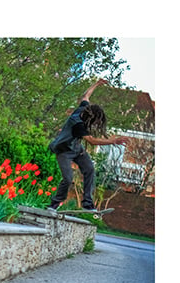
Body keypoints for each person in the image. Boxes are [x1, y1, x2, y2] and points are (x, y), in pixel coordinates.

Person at [47, 79, 129, 211]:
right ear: (90, 118)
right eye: (95, 121)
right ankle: (54, 203)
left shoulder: (83, 108)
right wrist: (112, 141)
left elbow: (86, 96)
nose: (96, 124)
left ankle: (87, 203)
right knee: (68, 179)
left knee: (89, 169)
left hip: (77, 148)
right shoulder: (78, 123)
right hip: (64, 150)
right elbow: (92, 141)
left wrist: (97, 84)